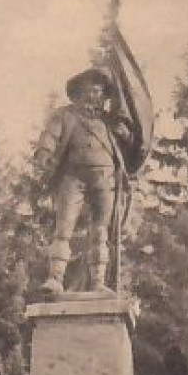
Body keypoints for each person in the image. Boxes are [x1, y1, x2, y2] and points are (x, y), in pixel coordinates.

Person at [32, 67, 135, 294]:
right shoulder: (65, 116)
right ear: (79, 92)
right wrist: (44, 153)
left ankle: (98, 282)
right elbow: (49, 138)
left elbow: (130, 146)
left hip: (105, 180)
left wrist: (125, 132)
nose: (93, 95)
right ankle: (55, 278)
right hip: (73, 176)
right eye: (88, 90)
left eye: (98, 91)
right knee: (64, 227)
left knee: (101, 233)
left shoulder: (110, 122)